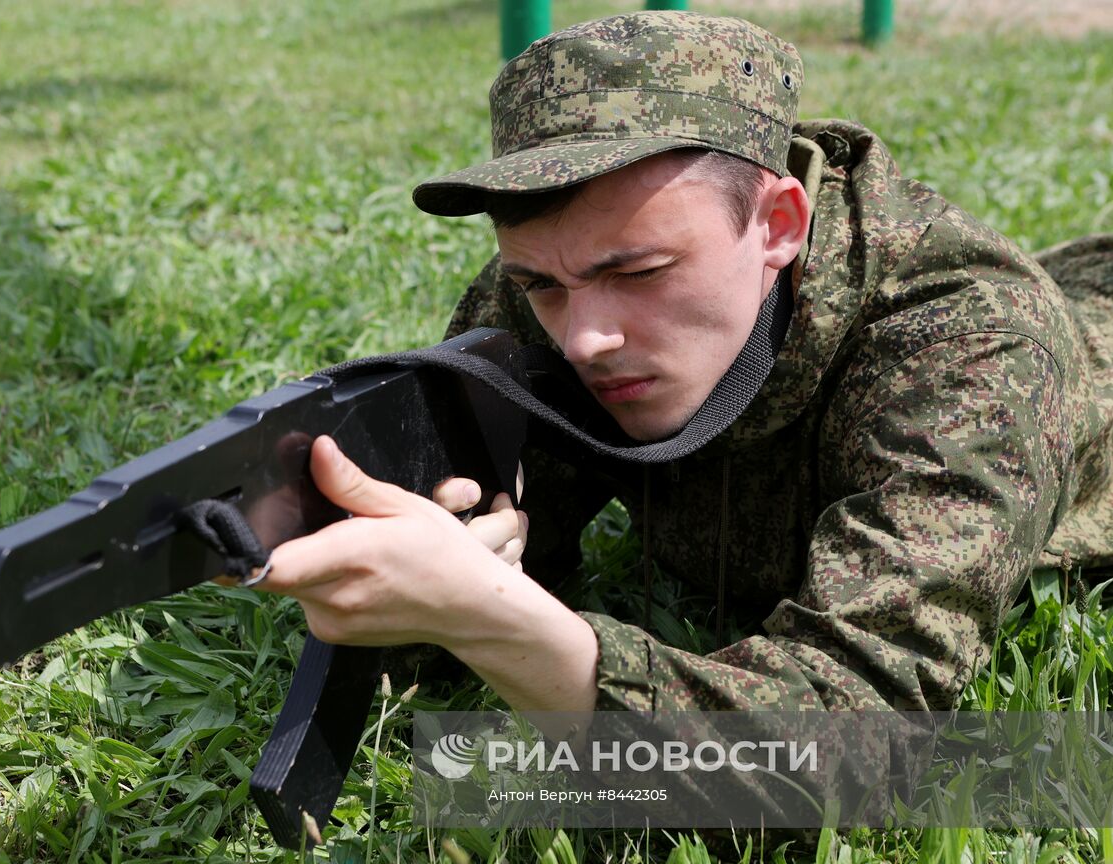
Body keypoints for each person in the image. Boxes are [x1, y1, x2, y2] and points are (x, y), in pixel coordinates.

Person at [255, 11, 1113, 718]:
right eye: (543, 283)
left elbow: (861, 724)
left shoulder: (974, 345)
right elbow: (466, 555)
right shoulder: (557, 284)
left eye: (638, 273)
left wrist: (509, 629)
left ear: (778, 225)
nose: (584, 338)